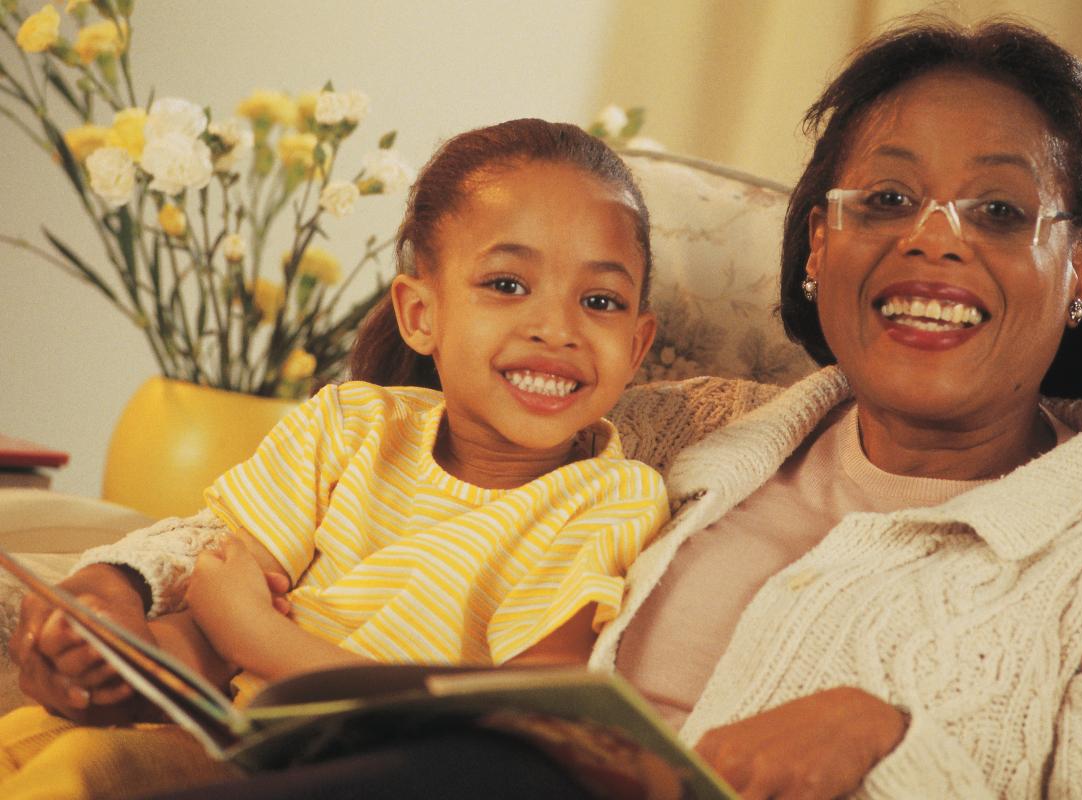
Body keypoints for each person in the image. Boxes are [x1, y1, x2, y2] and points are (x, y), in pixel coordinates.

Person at [11, 17, 1082, 800]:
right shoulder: (670, 425)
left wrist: (894, 738)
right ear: (819, 246)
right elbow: (297, 514)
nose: (936, 241)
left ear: (1079, 268)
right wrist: (124, 589)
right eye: (886, 197)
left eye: (999, 211)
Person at [0, 118, 666, 798]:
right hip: (206, 741)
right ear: (419, 314)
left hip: (352, 776)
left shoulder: (608, 497)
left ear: (637, 345)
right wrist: (114, 674)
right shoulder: (347, 424)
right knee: (40, 749)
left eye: (600, 301)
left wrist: (263, 643)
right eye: (506, 285)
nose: (556, 329)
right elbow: (209, 624)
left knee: (83, 775)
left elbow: (528, 713)